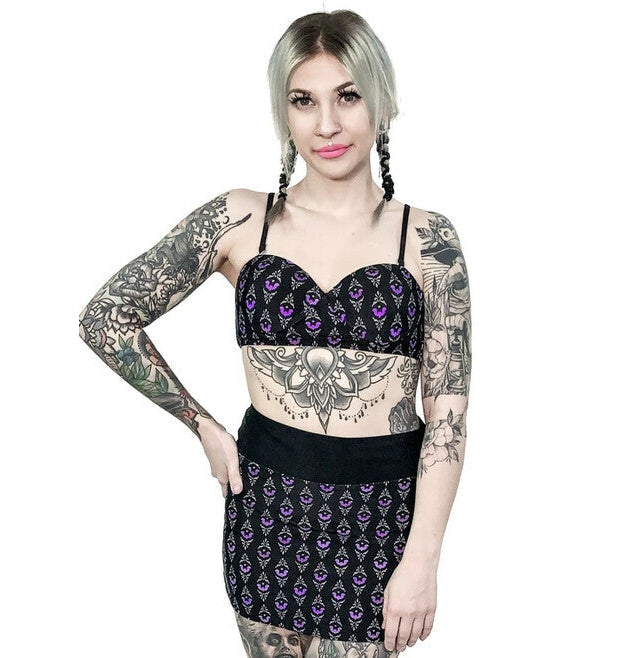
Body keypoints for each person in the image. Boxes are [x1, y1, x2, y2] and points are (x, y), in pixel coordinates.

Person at [78, 9, 472, 657]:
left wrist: (423, 559)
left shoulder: (429, 240)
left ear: (381, 100)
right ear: (282, 112)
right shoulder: (241, 219)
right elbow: (106, 316)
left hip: (381, 520)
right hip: (268, 512)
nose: (326, 124)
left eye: (347, 96)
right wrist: (203, 425)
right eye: (303, 100)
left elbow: (448, 413)